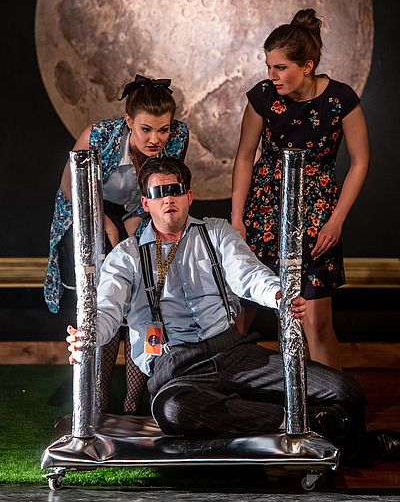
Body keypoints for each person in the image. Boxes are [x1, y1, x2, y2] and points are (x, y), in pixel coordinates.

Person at [67, 157, 400, 467]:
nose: (168, 199)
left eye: (176, 190)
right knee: (174, 410)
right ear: (145, 203)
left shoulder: (216, 232)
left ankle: (357, 452)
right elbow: (107, 308)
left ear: (189, 196)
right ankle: (304, 421)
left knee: (345, 389)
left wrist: (278, 294)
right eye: (158, 193)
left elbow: (249, 275)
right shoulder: (126, 256)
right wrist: (89, 335)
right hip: (175, 366)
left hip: (231, 350)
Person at [231, 9, 369, 370]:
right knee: (242, 314)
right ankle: (235, 394)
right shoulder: (263, 97)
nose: (271, 75)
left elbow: (360, 162)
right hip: (264, 211)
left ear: (307, 66)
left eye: (280, 67)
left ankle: (332, 400)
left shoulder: (340, 99)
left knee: (316, 324)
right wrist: (237, 219)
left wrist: (336, 221)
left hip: (317, 217)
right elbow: (244, 157)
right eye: (268, 66)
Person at [45, 75, 189, 415]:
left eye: (163, 130)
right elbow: (70, 186)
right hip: (88, 207)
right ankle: (96, 393)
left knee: (146, 294)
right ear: (128, 122)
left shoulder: (179, 136)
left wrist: (136, 226)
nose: (156, 139)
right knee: (104, 294)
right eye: (146, 129)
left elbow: (159, 188)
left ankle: (133, 401)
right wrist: (105, 224)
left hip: (138, 210)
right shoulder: (98, 135)